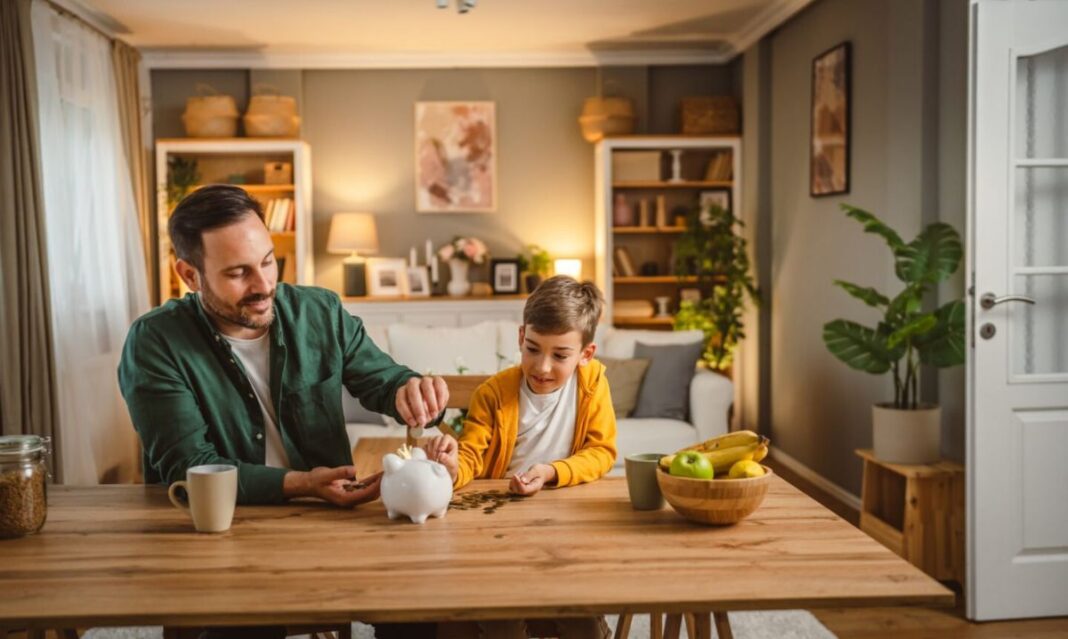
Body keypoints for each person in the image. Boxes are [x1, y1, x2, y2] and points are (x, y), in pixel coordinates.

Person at [118, 185, 444, 639]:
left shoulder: (320, 311)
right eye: (238, 273)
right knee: (241, 625)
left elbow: (381, 379)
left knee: (424, 605)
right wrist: (303, 485)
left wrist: (410, 388)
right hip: (223, 531)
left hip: (328, 521)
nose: (264, 285)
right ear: (190, 275)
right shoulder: (155, 343)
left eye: (268, 261)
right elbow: (191, 468)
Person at [426, 275, 616, 639]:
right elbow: (472, 457)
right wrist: (452, 468)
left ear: (585, 354)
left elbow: (601, 452)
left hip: (568, 525)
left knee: (583, 621)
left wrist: (550, 472)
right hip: (499, 528)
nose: (542, 367)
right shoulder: (493, 393)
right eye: (532, 349)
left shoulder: (593, 386)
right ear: (520, 337)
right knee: (502, 619)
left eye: (560, 355)